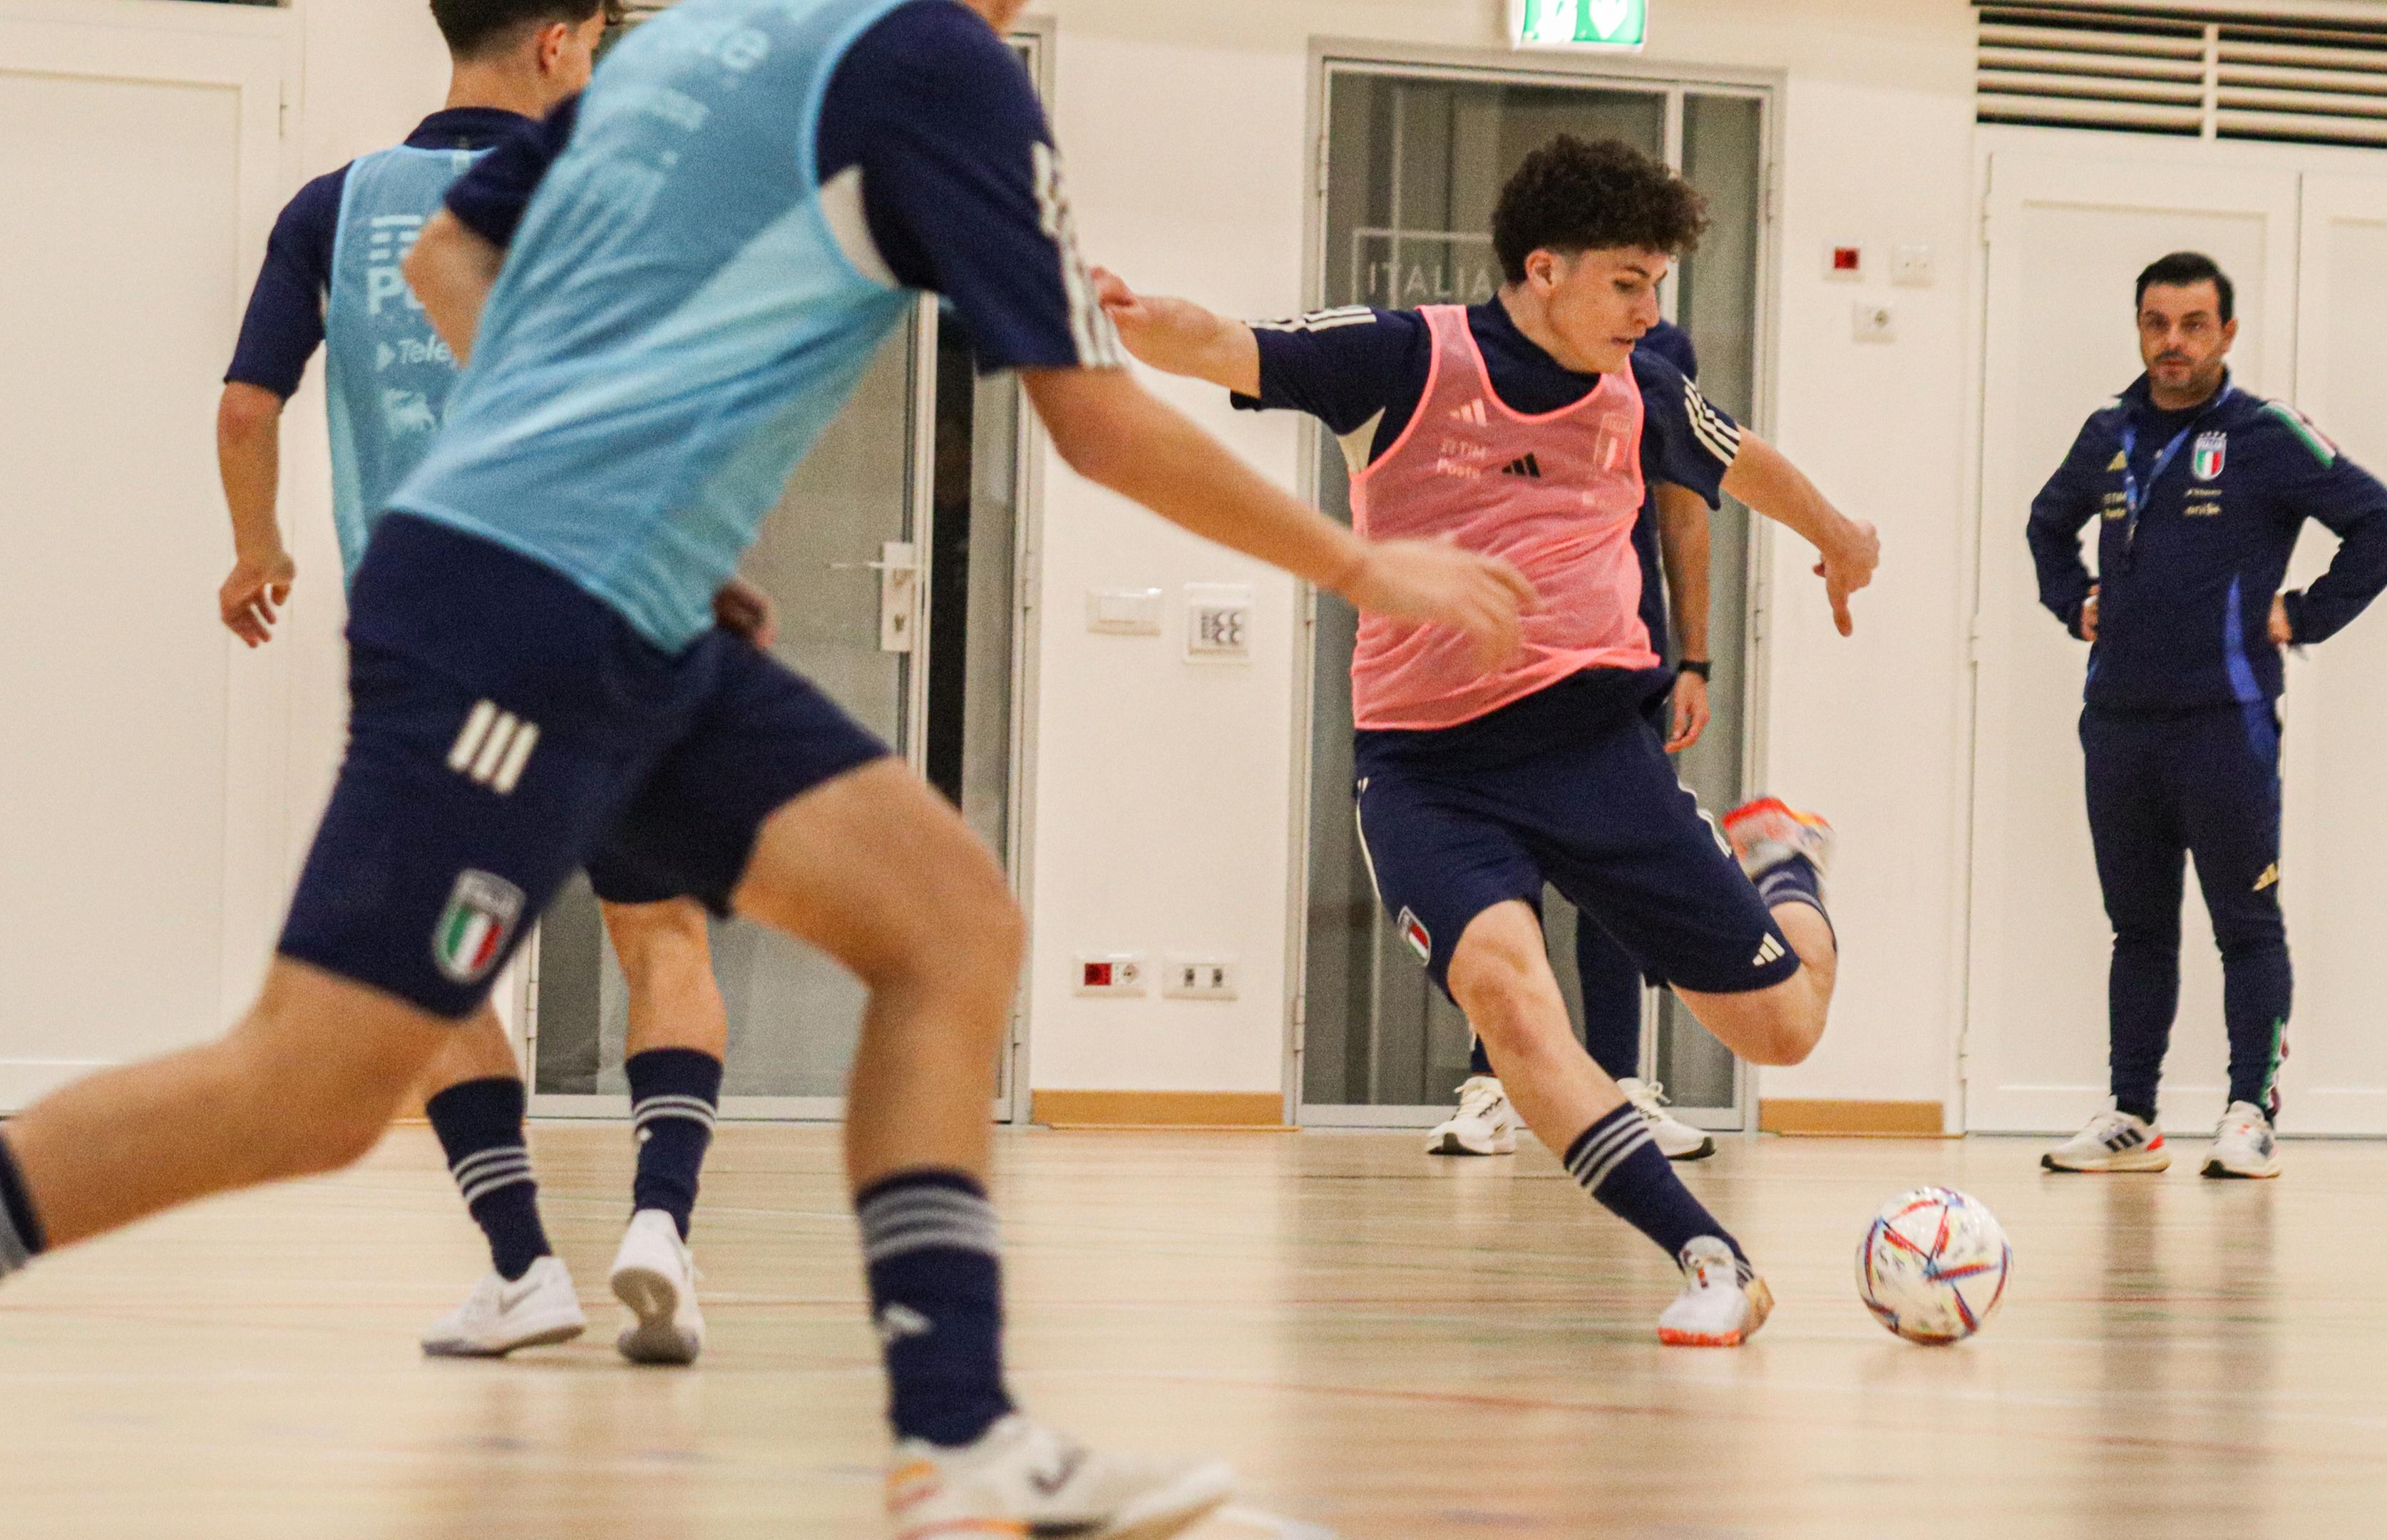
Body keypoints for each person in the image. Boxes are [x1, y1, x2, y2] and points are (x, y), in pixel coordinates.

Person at [0, 0, 1529, 1534]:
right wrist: (1366, 567)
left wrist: (632, 477)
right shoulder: (936, 65)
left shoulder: (692, 39)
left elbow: (446, 267)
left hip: (634, 613)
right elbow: (1100, 424)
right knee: (311, 1089)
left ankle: (963, 1437)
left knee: (947, 925)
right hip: (521, 611)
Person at [1097, 135, 1880, 1346]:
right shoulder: (1408, 360)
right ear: (1543, 268)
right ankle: (1712, 1258)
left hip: (1596, 756)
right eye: (1629, 282)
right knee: (1511, 1004)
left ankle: (1785, 865)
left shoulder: (1642, 392)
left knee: (1786, 1030)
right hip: (1430, 773)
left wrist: (1842, 534)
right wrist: (1131, 316)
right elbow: (1230, 343)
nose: (1649, 310)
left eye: (1659, 284)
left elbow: (1745, 462)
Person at [215, 0, 736, 1369]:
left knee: (436, 975)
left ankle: (522, 1268)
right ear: (564, 44)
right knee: (662, 934)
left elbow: (246, 406)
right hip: (614, 620)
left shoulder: (338, 206)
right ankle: (661, 1230)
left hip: (441, 652)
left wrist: (254, 548)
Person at [2028, 250, 2387, 1181]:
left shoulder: (2266, 433)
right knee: (2138, 929)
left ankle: (2249, 1113)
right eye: (2157, 323)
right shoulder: (2108, 432)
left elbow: (2385, 524)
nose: (2173, 343)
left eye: (2193, 324)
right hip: (2118, 721)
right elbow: (2047, 520)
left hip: (2225, 724)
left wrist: (2306, 614)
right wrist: (2069, 597)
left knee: (2246, 924)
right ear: (2139, 328)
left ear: (2227, 333)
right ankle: (2132, 1116)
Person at [1427, 322, 1718, 1163]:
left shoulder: (1660, 356)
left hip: (1617, 653)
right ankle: (1495, 1084)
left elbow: (1683, 508)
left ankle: (1623, 1087)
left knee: (1616, 868)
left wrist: (1692, 656)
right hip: (1497, 654)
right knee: (1500, 870)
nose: (1640, 295)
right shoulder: (1469, 347)